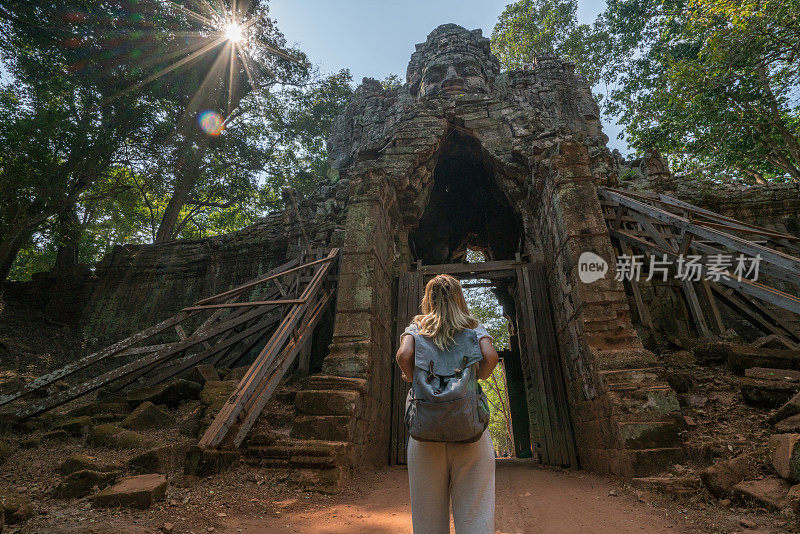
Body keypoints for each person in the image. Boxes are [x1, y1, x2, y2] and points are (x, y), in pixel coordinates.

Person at [396, 273, 499, 534]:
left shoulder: (416, 327)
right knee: (476, 514)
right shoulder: (474, 327)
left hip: (426, 431)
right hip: (469, 428)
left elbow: (404, 354)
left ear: (428, 300)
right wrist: (478, 377)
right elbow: (490, 356)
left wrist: (411, 377)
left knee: (427, 520)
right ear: (459, 298)